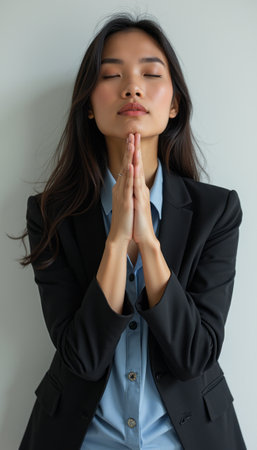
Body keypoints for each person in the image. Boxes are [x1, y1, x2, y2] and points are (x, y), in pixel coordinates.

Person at [18, 13, 246, 450]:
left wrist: (149, 245)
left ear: (174, 103)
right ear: (89, 103)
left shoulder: (216, 211)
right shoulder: (50, 214)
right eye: (111, 75)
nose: (132, 87)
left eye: (150, 73)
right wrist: (116, 242)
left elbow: (194, 355)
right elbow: (81, 357)